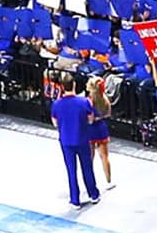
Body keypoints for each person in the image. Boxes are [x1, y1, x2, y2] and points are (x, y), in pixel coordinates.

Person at [48, 75, 101, 207]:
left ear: (61, 86)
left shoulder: (57, 104)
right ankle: (93, 194)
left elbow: (55, 123)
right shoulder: (84, 102)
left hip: (66, 141)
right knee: (87, 167)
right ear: (74, 85)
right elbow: (90, 119)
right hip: (82, 139)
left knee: (71, 170)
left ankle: (75, 200)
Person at [84, 70, 117, 188]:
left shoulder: (88, 101)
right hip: (101, 128)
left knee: (89, 157)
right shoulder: (105, 99)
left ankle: (89, 181)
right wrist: (100, 117)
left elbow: (90, 119)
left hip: (90, 129)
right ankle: (109, 181)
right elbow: (108, 114)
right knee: (104, 156)